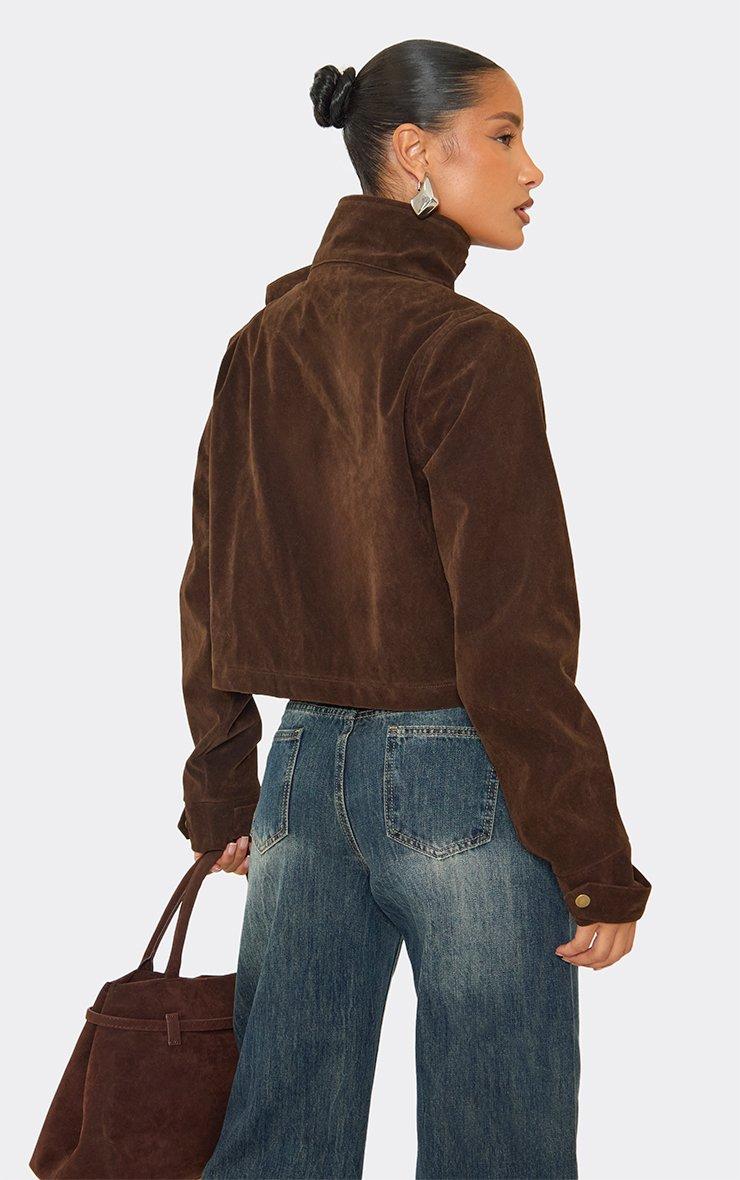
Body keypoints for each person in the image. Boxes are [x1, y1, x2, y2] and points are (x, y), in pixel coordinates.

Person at [177, 38, 652, 1180]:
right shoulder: (466, 346)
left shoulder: (261, 343)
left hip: (298, 779)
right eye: (503, 135)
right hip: (459, 777)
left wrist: (223, 786)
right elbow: (512, 635)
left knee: (279, 1139)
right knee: (499, 1146)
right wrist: (593, 855)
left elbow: (211, 583)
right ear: (414, 152)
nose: (531, 169)